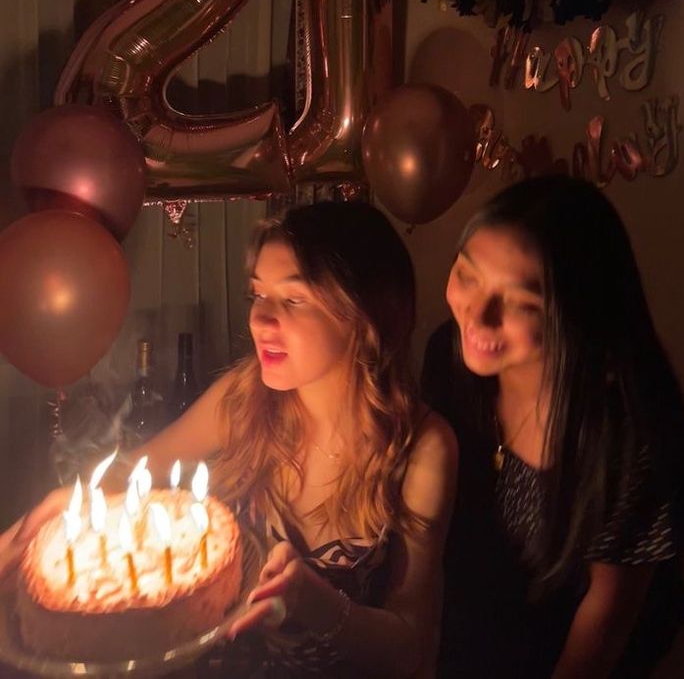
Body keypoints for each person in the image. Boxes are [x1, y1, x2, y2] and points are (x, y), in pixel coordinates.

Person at [1, 201, 458, 678]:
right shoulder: (243, 399)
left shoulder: (421, 449)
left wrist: (316, 604)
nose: (261, 321)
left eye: (294, 299)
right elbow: (132, 472)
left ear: (364, 314)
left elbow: (412, 648)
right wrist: (64, 504)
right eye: (257, 295)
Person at [421, 175, 684, 678]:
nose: (478, 318)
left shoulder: (621, 432)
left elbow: (607, 621)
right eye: (467, 276)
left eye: (522, 303)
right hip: (484, 625)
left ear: (576, 310)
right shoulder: (449, 359)